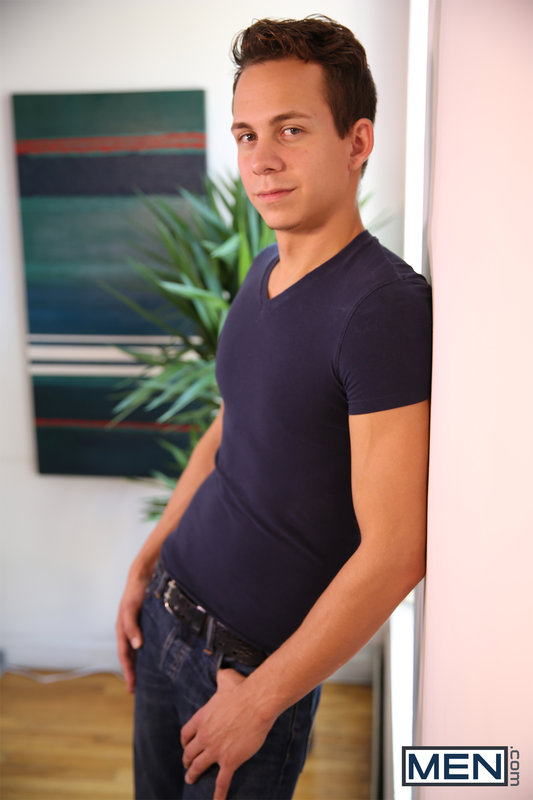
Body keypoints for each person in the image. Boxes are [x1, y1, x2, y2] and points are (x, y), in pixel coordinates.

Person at [116, 15, 432, 800]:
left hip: (245, 677)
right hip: (167, 617)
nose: (261, 159)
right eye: (246, 134)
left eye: (290, 129)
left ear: (356, 141)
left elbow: (397, 550)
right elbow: (232, 426)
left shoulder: (384, 308)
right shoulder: (261, 269)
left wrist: (260, 700)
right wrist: (149, 559)